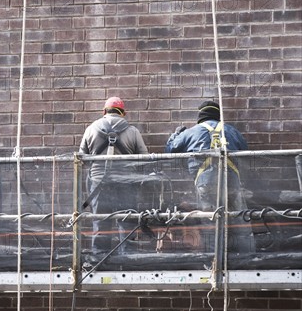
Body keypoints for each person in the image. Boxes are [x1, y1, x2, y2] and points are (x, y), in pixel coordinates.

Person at [165, 100, 253, 252]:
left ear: (201, 116)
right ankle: (247, 257)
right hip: (231, 182)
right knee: (240, 220)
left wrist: (176, 134)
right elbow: (245, 149)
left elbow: (170, 150)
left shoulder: (192, 131)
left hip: (206, 183)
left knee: (211, 221)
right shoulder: (231, 131)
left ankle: (214, 259)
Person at [79, 96, 148, 257]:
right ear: (123, 113)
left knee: (101, 220)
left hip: (99, 184)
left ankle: (100, 257)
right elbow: (144, 158)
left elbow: (81, 158)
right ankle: (129, 256)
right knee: (127, 219)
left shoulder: (91, 129)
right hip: (127, 183)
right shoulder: (133, 131)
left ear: (104, 112)